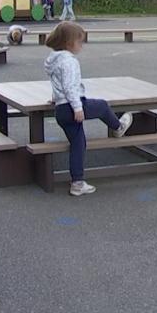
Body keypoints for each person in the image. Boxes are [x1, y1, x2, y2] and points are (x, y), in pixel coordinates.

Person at [45, 22, 133, 196]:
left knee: (78, 144)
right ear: (69, 43)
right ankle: (118, 127)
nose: (81, 46)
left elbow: (58, 84)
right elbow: (70, 86)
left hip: (61, 110)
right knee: (101, 105)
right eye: (80, 42)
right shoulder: (69, 62)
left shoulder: (53, 60)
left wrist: (55, 99)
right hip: (72, 106)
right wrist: (78, 108)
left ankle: (77, 182)